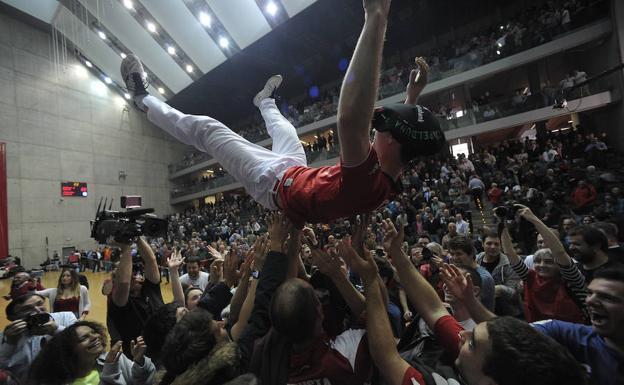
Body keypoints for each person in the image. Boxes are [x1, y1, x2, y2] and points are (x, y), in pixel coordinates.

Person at [120, 24, 446, 226]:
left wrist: (376, 17)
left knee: (208, 129)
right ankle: (264, 101)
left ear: (390, 143)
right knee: (287, 131)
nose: (378, 130)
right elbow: (400, 138)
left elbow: (350, 118)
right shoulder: (387, 172)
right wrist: (411, 96)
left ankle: (142, 98)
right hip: (296, 174)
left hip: (272, 186)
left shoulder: (368, 180)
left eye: (383, 129)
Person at [348, 219, 587, 385]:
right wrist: (398, 254)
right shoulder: (490, 354)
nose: (463, 335)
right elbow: (434, 308)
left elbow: (386, 358)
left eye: (472, 344)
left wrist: (370, 280)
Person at [502, 206, 588, 323]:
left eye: (548, 262)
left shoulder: (572, 279)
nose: (541, 265)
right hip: (540, 334)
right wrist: (502, 223)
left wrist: (533, 218)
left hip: (571, 335)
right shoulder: (530, 277)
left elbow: (559, 252)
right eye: (538, 261)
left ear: (558, 264)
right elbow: (510, 254)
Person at [29, 321, 155, 385]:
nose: (94, 337)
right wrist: (111, 371)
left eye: (94, 332)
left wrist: (139, 361)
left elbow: (144, 381)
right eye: (84, 338)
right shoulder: (59, 380)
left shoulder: (114, 359)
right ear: (70, 349)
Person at [0, 293, 78, 383]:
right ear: (13, 318)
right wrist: (10, 344)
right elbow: (2, 368)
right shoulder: (6, 337)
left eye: (40, 304)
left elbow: (82, 346)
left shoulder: (66, 318)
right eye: (26, 309)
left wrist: (56, 330)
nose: (37, 310)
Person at [108, 237, 164, 356]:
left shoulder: (151, 288)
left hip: (165, 349)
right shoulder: (120, 300)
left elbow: (151, 260)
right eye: (130, 273)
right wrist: (126, 247)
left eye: (136, 272)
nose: (135, 276)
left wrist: (137, 237)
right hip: (139, 357)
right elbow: (124, 282)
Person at [476, 229, 523, 317]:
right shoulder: (476, 260)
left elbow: (514, 293)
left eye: (496, 244)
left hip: (506, 312)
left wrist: (500, 289)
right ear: (482, 244)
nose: (493, 247)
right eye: (489, 243)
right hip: (481, 308)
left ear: (501, 246)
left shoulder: (510, 263)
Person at [448, 236, 496, 311]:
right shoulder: (459, 272)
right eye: (452, 254)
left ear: (471, 254)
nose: (454, 258)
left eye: (459, 254)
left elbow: (472, 308)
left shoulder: (484, 278)